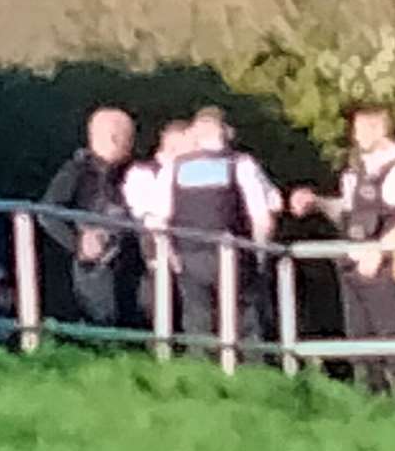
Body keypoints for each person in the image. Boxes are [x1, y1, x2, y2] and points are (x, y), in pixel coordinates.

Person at [290, 105, 395, 393]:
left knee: (393, 344)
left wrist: (380, 249)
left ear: (379, 129)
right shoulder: (356, 173)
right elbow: (348, 212)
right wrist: (316, 203)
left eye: (360, 128)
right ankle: (369, 406)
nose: (355, 135)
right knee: (359, 346)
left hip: (386, 270)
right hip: (353, 269)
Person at [156, 107, 277, 350]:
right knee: (246, 324)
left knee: (198, 323)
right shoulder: (241, 164)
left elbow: (159, 219)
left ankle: (202, 378)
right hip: (235, 253)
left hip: (190, 256)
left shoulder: (174, 168)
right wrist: (259, 256)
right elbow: (261, 217)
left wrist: (171, 257)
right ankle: (253, 376)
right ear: (227, 133)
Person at [39, 108, 140, 328]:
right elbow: (48, 213)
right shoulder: (76, 171)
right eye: (129, 138)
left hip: (126, 259)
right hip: (93, 265)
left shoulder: (128, 172)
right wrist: (79, 244)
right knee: (101, 318)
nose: (131, 146)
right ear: (114, 138)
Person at [122, 119, 193, 325]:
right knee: (158, 299)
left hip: (189, 246)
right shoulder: (143, 173)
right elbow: (143, 211)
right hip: (154, 244)